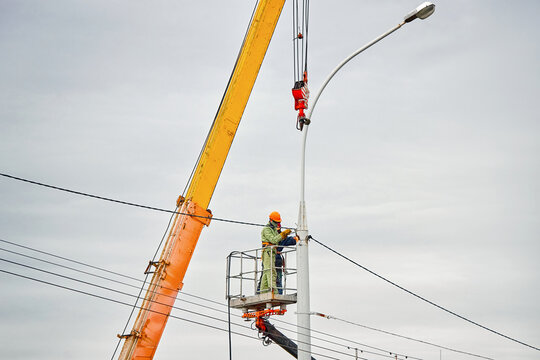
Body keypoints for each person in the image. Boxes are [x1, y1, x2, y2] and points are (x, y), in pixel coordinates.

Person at [258, 211, 294, 294]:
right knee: (271, 272)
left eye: (278, 222)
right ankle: (274, 292)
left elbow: (279, 241)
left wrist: (288, 237)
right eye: (275, 222)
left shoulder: (273, 230)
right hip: (268, 252)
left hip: (272, 252)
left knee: (267, 271)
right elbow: (274, 240)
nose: (276, 224)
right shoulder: (266, 229)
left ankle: (263, 292)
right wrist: (283, 234)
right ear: (270, 220)